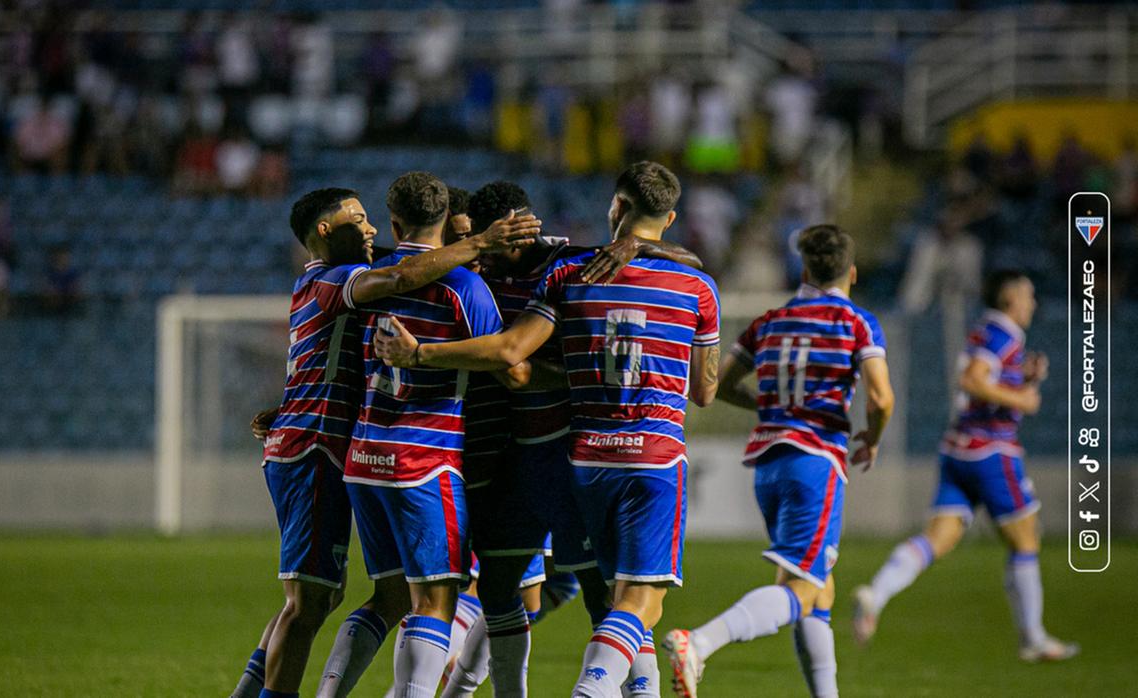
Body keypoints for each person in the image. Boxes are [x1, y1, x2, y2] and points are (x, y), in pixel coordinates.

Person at [374, 162, 722, 698]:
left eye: (497, 239)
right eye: (475, 241)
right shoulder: (470, 276)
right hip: (501, 458)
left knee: (605, 594)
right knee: (498, 589)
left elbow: (515, 363)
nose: (486, 251)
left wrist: (635, 246)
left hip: (563, 451)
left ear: (526, 229)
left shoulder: (566, 263)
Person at [229, 185, 541, 698]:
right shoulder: (347, 279)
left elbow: (339, 357)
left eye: (375, 219)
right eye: (358, 219)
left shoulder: (358, 285)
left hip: (352, 452)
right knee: (323, 602)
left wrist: (289, 407)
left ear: (397, 224)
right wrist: (482, 249)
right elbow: (509, 364)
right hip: (352, 451)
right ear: (325, 231)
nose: (370, 227)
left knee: (349, 598)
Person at [316, 172, 532, 698]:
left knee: (386, 596)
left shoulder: (368, 277)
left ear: (393, 223)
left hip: (365, 459)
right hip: (425, 461)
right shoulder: (466, 287)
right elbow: (511, 371)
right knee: (436, 602)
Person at [663, 224, 895, 698]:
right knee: (803, 588)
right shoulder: (855, 323)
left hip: (768, 463)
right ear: (850, 272)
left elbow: (720, 385)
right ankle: (700, 642)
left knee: (817, 589)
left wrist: (769, 408)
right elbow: (880, 396)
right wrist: (873, 435)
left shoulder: (768, 320)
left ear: (805, 268)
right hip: (815, 460)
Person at [853, 271, 1079, 663]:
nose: (1033, 303)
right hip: (991, 450)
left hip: (958, 449)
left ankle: (877, 593)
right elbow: (972, 380)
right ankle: (1033, 638)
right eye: (1027, 295)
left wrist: (1023, 377)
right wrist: (1021, 399)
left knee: (937, 539)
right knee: (1026, 540)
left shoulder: (986, 330)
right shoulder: (1005, 334)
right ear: (1010, 299)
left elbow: (983, 375)